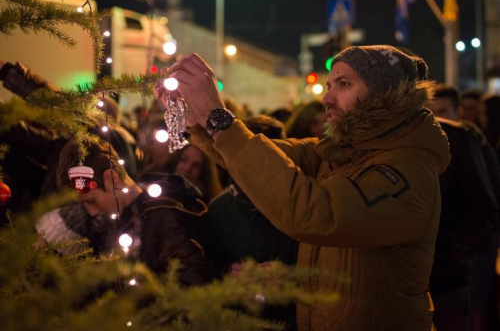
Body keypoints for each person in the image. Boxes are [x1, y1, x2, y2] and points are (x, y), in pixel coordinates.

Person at [156, 45, 451, 330]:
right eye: (329, 85)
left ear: (384, 94)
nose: (327, 99)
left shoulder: (407, 170)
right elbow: (253, 157)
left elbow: (318, 214)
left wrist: (219, 118)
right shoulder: (341, 152)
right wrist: (195, 119)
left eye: (344, 84)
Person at [56, 140, 213, 286]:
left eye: (91, 201)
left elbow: (194, 288)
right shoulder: (119, 215)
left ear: (111, 178)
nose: (92, 212)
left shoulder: (164, 217)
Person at [201, 114, 299, 330]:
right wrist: (229, 272)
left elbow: (320, 264)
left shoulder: (300, 203)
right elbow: (205, 267)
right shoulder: (219, 209)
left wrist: (290, 274)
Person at [429, 85, 500, 331]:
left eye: (442, 111)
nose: (436, 118)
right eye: (430, 111)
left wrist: (450, 249)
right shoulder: (418, 142)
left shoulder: (463, 139)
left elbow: (486, 208)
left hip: (457, 266)